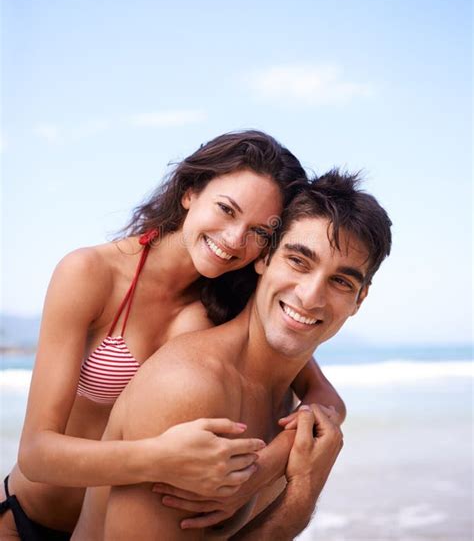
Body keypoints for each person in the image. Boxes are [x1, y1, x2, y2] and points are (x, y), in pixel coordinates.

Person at [0, 131, 345, 540]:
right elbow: (37, 454)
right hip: (27, 522)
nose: (234, 240)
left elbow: (327, 404)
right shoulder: (91, 275)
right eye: (225, 209)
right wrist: (160, 458)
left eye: (260, 231)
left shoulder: (238, 302)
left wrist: (262, 470)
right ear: (189, 192)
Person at [73, 169, 392, 540]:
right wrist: (302, 495)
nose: (310, 296)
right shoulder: (189, 388)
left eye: (341, 281)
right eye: (298, 261)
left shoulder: (294, 394)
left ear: (360, 299)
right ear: (264, 259)